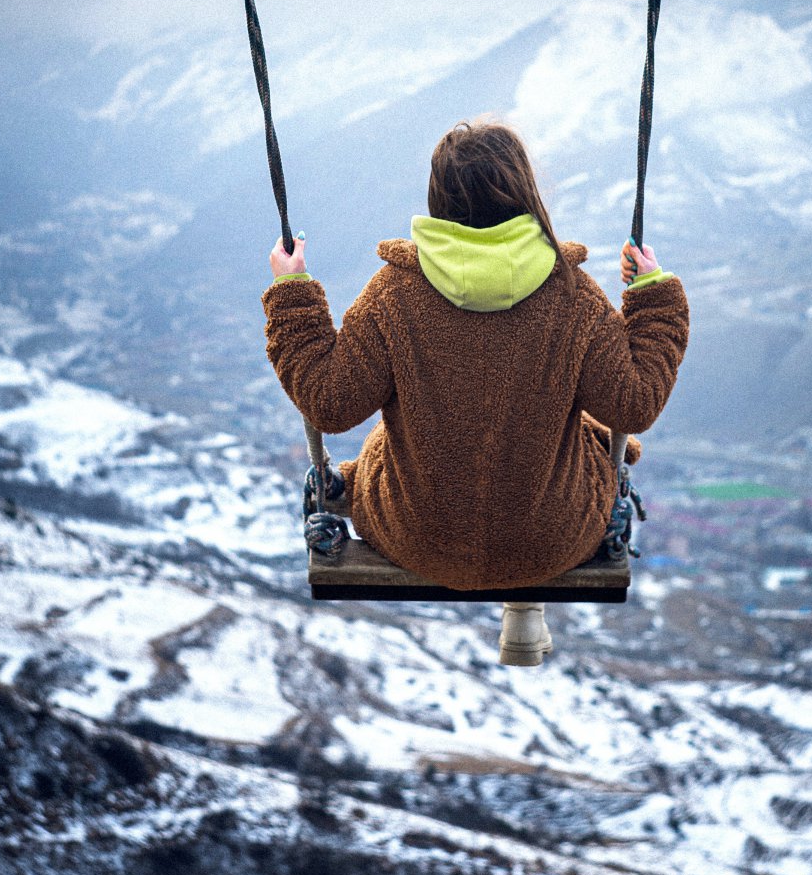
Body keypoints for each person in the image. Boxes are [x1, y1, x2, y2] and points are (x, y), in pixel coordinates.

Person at [263, 120, 689, 663]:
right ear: (525, 193)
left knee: (383, 442)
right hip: (555, 537)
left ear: (437, 199)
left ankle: (357, 489)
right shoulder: (572, 295)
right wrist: (652, 298)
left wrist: (291, 291)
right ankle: (524, 610)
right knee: (584, 436)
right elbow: (633, 404)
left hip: (416, 535)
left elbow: (329, 402)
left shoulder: (395, 295)